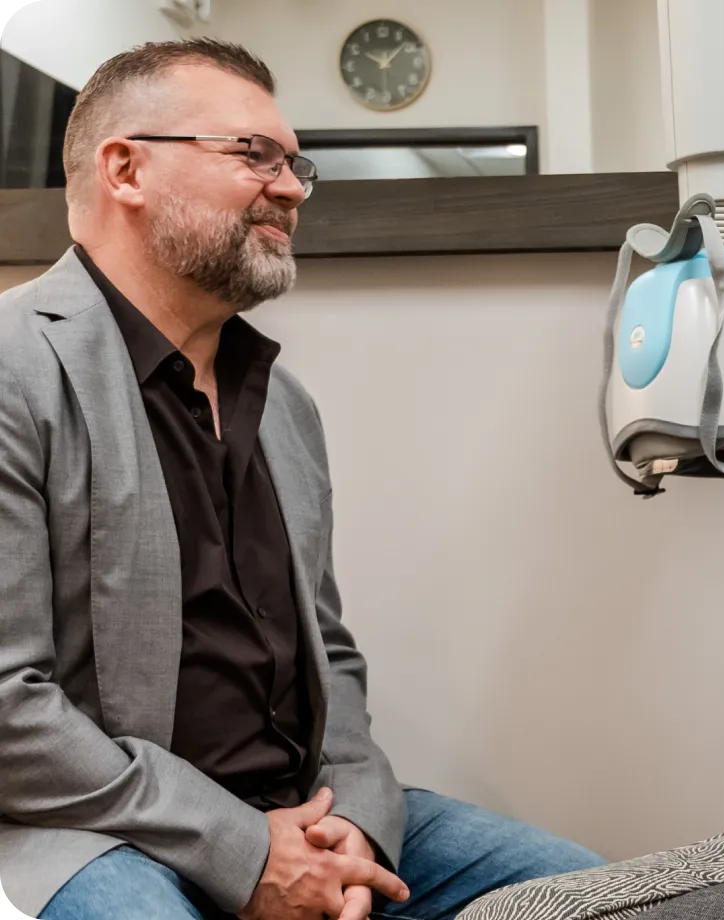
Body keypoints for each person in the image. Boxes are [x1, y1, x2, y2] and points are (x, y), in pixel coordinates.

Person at [0, 39, 602, 920]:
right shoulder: (15, 366)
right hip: (91, 834)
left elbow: (331, 652)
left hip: (303, 814)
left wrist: (356, 819)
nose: (289, 187)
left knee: (615, 897)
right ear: (125, 168)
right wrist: (245, 854)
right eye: (252, 154)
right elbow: (9, 707)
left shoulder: (284, 404)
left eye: (294, 163)